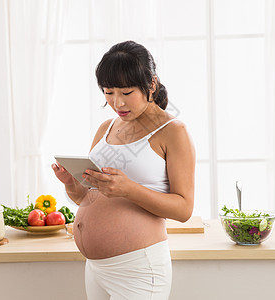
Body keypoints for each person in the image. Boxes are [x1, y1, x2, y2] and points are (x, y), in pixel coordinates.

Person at [52, 40, 195, 300]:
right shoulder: (106, 128)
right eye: (108, 92)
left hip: (139, 269)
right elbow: (87, 198)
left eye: (126, 92)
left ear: (151, 84)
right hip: (95, 269)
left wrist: (129, 190)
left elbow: (184, 209)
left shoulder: (174, 132)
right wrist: (71, 185)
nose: (117, 102)